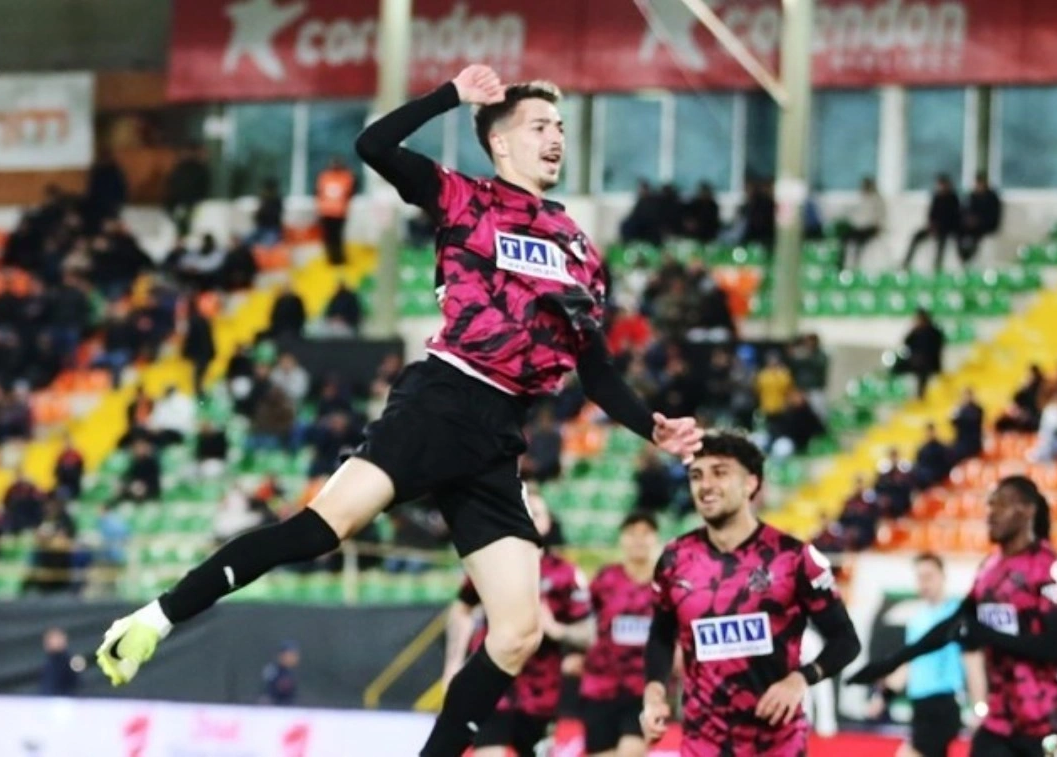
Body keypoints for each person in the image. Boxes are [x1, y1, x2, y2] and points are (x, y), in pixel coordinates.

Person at [95, 65, 702, 757]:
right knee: (320, 530)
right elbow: (373, 146)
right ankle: (157, 616)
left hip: (499, 434)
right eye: (539, 125)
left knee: (517, 633)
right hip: (442, 399)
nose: (555, 137)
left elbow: (595, 368)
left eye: (560, 127)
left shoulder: (581, 252)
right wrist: (450, 97)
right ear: (500, 143)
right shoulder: (465, 198)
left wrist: (651, 425)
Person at [640, 432, 861, 755]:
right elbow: (661, 635)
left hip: (777, 744)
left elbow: (846, 640)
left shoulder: (793, 557)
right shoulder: (675, 559)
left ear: (750, 483)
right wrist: (654, 693)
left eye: (720, 472)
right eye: (696, 476)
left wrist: (799, 680)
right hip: (703, 743)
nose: (705, 485)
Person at [849, 475, 1057, 757]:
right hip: (1000, 723)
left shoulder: (1050, 567)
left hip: (1048, 720)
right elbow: (953, 625)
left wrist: (988, 636)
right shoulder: (990, 568)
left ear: (1027, 510)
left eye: (1000, 505)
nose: (990, 514)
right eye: (989, 505)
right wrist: (891, 662)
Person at [442, 490, 592, 756]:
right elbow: (462, 609)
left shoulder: (566, 574)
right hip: (493, 684)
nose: (531, 519)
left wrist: (557, 630)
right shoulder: (491, 564)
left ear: (547, 522)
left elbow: (588, 632)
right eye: (525, 511)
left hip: (542, 693)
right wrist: (453, 664)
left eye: (537, 514)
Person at [867, 553, 985, 757]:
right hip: (920, 706)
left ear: (942, 576)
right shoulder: (917, 620)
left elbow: (972, 662)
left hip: (943, 704)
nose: (924, 583)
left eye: (929, 576)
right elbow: (908, 664)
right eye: (920, 577)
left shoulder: (957, 615)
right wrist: (883, 696)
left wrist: (979, 708)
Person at [580, 511, 660, 757]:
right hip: (601, 685)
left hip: (644, 688)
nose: (639, 540)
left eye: (645, 533)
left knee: (630, 751)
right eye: (632, 533)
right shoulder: (605, 579)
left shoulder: (665, 585)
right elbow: (583, 619)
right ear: (622, 539)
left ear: (656, 539)